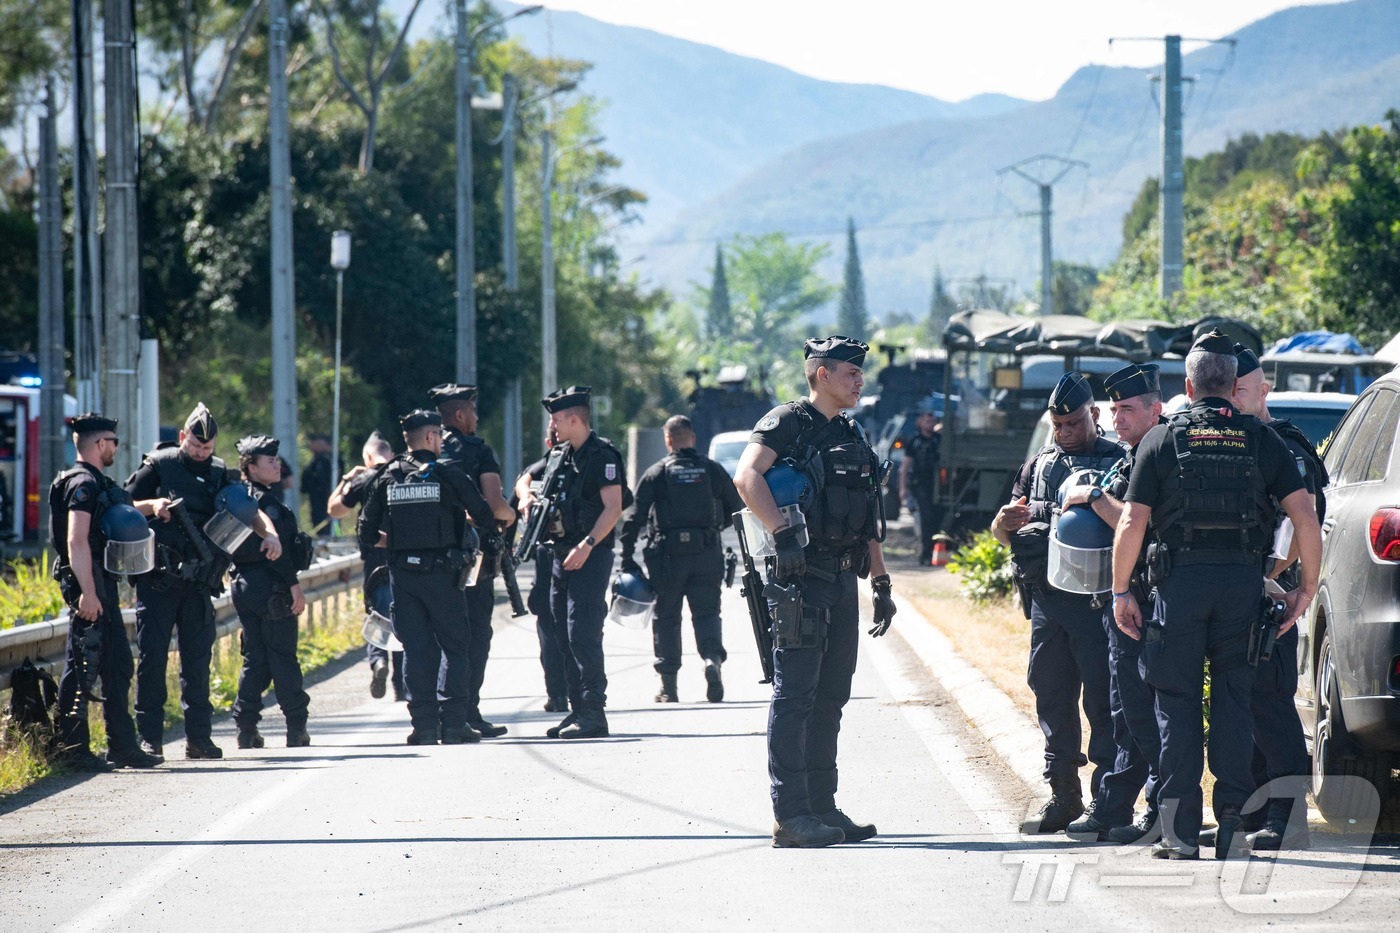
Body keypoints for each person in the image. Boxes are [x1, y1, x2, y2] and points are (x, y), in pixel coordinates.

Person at [1111, 329, 1322, 860]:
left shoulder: (1162, 439)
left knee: (1176, 707)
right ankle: (1231, 828)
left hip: (1178, 588)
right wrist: (1306, 588)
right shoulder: (1262, 439)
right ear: (1233, 386)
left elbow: (1133, 520)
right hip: (1240, 588)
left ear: (1187, 384)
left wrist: (1120, 592)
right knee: (1233, 705)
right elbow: (1305, 515)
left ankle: (1181, 833)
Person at [734, 335, 896, 849]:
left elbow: (867, 513)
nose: (859, 381)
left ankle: (824, 808)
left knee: (832, 696)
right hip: (799, 578)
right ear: (822, 373)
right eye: (851, 373)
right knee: (796, 696)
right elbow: (746, 477)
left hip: (842, 577)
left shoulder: (851, 431)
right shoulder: (788, 422)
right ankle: (792, 814)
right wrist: (782, 533)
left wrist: (881, 579)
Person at [991, 371, 1122, 834]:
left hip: (1099, 601)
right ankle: (1064, 795)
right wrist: (1004, 522)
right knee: (1050, 693)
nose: (1064, 432)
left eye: (1072, 422)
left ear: (1094, 414)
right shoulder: (1038, 465)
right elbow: (1002, 529)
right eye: (1057, 424)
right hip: (1048, 599)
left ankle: (1110, 799)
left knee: (1105, 700)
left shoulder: (1118, 461)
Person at [126, 403, 283, 761]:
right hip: (159, 581)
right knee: (152, 660)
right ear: (183, 437)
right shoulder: (159, 465)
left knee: (197, 663)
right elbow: (122, 506)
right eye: (195, 446)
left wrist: (270, 535)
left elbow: (250, 509)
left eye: (207, 448)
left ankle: (199, 738)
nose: (200, 453)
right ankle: (149, 738)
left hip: (198, 583)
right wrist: (153, 506)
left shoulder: (217, 472)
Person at [1057, 363, 1165, 843]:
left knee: (1147, 710)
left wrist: (1093, 495)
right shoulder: (1132, 454)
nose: (1118, 418)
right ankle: (1117, 805)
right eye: (1115, 409)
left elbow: (1139, 525)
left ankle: (1157, 805)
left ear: (1154, 408)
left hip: (1150, 599)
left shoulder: (1162, 454)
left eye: (1127, 409)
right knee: (1125, 709)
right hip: (1122, 600)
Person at [1230, 343, 1324, 851]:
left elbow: (1298, 526)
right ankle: (1255, 812)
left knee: (1270, 704)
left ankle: (1288, 818)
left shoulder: (1283, 445)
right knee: (1240, 707)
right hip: (1237, 593)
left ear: (1263, 391)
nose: (1228, 398)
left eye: (1239, 389)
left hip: (1273, 599)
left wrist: (1259, 575)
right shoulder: (1231, 440)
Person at [359, 410, 497, 745]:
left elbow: (365, 532)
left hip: (404, 577)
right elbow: (484, 516)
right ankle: (453, 725)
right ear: (432, 437)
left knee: (417, 650)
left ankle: (423, 727)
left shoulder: (388, 476)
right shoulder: (449, 473)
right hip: (444, 576)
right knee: (455, 647)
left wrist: (401, 543)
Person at [48, 414, 162, 771]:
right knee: (83, 664)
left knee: (116, 666)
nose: (116, 446)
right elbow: (76, 539)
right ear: (100, 444)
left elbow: (120, 508)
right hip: (89, 582)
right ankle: (71, 748)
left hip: (100, 582)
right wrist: (87, 592)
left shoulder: (98, 481)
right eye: (113, 441)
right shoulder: (81, 484)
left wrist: (155, 506)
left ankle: (122, 746)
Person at [523, 386, 625, 740]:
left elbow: (613, 508)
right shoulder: (559, 456)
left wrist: (587, 544)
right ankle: (577, 711)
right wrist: (526, 498)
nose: (551, 424)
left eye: (555, 418)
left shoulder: (603, 456)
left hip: (590, 556)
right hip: (558, 555)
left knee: (582, 633)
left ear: (574, 419)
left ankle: (595, 713)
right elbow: (526, 479)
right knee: (561, 634)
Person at [619, 414, 743, 703]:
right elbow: (735, 507)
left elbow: (634, 518)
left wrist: (626, 557)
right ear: (693, 438)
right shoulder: (712, 470)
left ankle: (669, 686)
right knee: (707, 614)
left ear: (668, 440)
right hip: (706, 554)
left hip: (667, 558)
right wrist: (713, 529)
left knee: (666, 618)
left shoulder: (657, 473)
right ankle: (711, 659)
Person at [429, 384, 517, 737]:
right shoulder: (477, 450)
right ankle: (467, 713)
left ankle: (435, 714)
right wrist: (511, 516)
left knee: (438, 636)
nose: (477, 419)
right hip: (472, 559)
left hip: (429, 559)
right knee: (475, 634)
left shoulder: (423, 450)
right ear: (461, 415)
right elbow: (495, 506)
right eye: (474, 413)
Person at [229, 435, 313, 749]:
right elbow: (279, 555)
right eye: (269, 461)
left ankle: (246, 728)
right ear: (250, 467)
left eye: (277, 460)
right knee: (283, 658)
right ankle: (296, 728)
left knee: (256, 659)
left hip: (244, 584)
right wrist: (294, 587)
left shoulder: (240, 499)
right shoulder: (264, 504)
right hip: (270, 585)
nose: (277, 465)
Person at [329, 431, 404, 701]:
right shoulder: (403, 473)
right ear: (391, 454)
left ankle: (377, 660)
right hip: (402, 555)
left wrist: (346, 480)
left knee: (376, 613)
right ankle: (401, 685)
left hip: (374, 558)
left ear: (368, 456)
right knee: (403, 614)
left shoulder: (364, 478)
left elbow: (334, 510)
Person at [514, 428, 569, 713]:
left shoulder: (540, 469)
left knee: (549, 627)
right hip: (583, 553)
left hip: (548, 556)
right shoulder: (591, 460)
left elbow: (512, 506)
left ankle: (558, 694)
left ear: (549, 442)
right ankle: (582, 692)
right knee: (579, 625)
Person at [899, 408, 943, 565]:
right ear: (920, 422)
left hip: (938, 485)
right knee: (926, 518)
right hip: (920, 485)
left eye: (932, 421)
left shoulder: (939, 439)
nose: (930, 424)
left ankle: (932, 552)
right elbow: (905, 467)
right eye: (926, 420)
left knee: (936, 518)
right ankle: (925, 553)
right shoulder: (914, 441)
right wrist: (903, 488)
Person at [301, 433, 334, 534]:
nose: (312, 445)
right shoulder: (318, 459)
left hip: (324, 496)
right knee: (318, 520)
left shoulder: (326, 459)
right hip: (317, 497)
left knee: (325, 522)